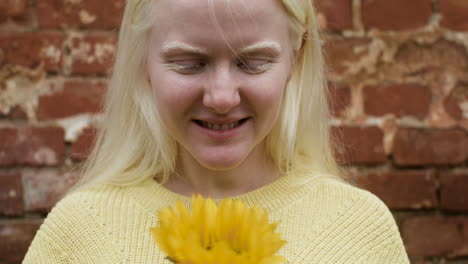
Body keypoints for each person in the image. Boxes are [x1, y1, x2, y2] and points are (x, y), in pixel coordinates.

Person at [23, 0, 410, 263]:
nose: (222, 97)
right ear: (142, 60)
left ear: (296, 55)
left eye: (252, 62)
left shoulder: (358, 230)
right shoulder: (80, 232)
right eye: (189, 63)